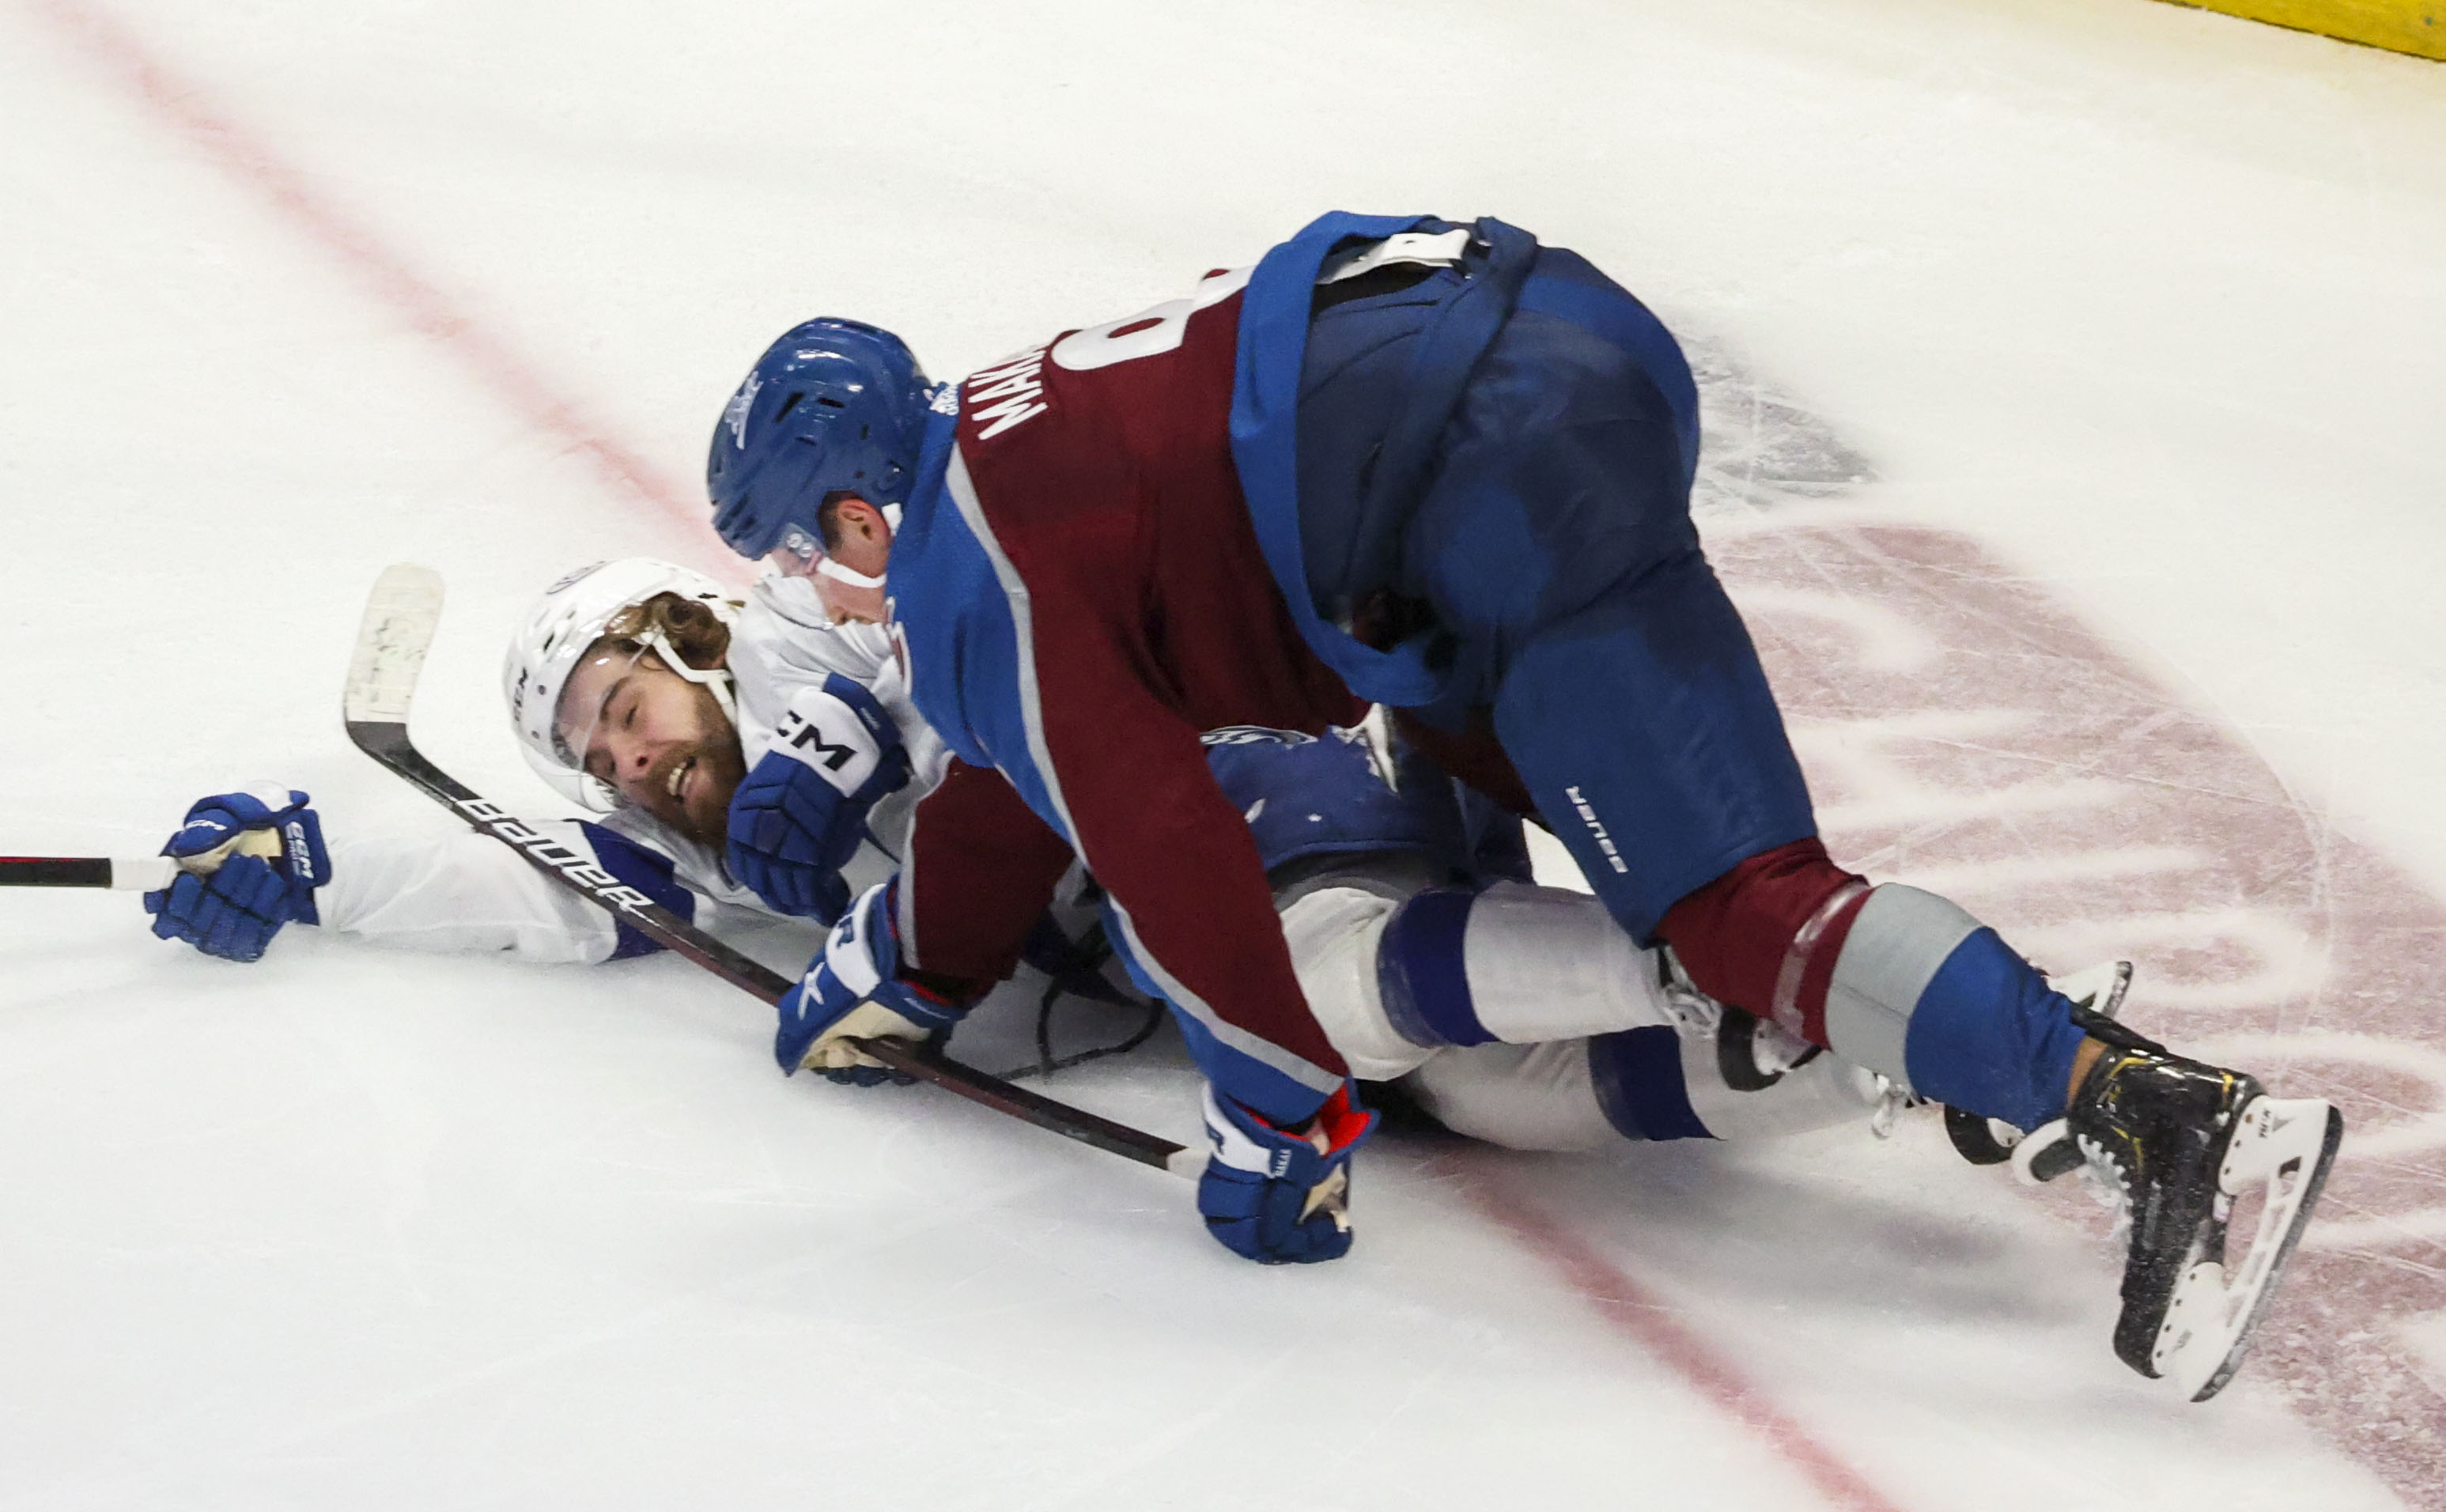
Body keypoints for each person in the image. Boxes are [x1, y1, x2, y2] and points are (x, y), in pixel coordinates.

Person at [702, 214, 2341, 1397]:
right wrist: (902, 968)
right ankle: (1894, 1019)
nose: (816, 593)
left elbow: (1155, 840)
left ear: (853, 514)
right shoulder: (999, 434)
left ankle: (2151, 1108)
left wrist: (1278, 1118)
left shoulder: (955, 568)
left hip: (1480, 475)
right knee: (1617, 840)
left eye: (796, 555)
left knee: (1725, 900)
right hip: (1528, 355)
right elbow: (1018, 779)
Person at [138, 561, 1909, 1221]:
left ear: (683, 639)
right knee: (1471, 1103)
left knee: (1332, 981)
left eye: (620, 709)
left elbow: (951, 649)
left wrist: (835, 730)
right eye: (592, 758)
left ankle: (1766, 961)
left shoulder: (822, 625)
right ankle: (1868, 1054)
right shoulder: (707, 847)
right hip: (1189, 949)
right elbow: (533, 884)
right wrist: (312, 857)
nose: (622, 760)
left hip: (1235, 794)